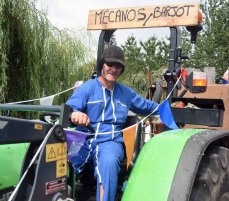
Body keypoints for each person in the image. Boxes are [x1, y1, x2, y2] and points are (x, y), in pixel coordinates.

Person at [66, 45, 160, 201]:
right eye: (110, 64)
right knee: (59, 164)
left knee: (109, 163)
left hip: (110, 141)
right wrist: (75, 114)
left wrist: (169, 110)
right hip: (81, 140)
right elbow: (71, 108)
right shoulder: (86, 89)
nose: (113, 69)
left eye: (118, 66)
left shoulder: (126, 93)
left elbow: (148, 106)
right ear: (102, 64)